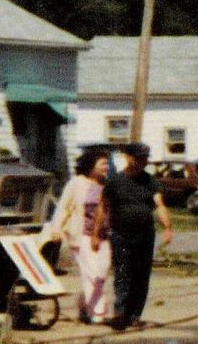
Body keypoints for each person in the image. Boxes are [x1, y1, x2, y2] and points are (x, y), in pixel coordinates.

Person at [98, 141, 173, 331]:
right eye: (139, 158)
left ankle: (134, 316)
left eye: (145, 158)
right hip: (120, 234)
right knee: (123, 273)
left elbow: (159, 204)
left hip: (145, 235)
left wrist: (167, 227)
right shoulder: (115, 181)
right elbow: (103, 207)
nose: (143, 162)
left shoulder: (150, 181)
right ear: (128, 158)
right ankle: (120, 313)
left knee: (141, 275)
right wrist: (96, 232)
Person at [46, 148, 113, 324]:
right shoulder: (76, 183)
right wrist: (56, 228)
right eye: (103, 163)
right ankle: (98, 313)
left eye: (107, 163)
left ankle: (84, 304)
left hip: (103, 235)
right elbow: (64, 207)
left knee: (101, 273)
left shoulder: (107, 185)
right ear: (91, 165)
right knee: (92, 273)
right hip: (81, 235)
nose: (106, 167)